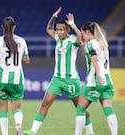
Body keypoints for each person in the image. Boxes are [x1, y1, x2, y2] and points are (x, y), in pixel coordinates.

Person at [23, 7, 94, 135]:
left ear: (67, 31)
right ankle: (33, 131)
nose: (58, 31)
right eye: (58, 29)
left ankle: (90, 131)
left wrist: (72, 24)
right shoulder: (57, 38)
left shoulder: (73, 40)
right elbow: (48, 29)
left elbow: (81, 37)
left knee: (80, 107)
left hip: (71, 79)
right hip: (57, 79)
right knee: (45, 104)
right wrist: (53, 17)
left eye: (61, 29)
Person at [74, 22, 118, 135]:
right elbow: (83, 42)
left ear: (87, 32)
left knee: (80, 108)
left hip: (94, 81)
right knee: (108, 109)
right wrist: (73, 25)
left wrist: (98, 75)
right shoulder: (102, 43)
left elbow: (94, 60)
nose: (82, 36)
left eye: (83, 33)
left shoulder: (91, 45)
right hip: (107, 80)